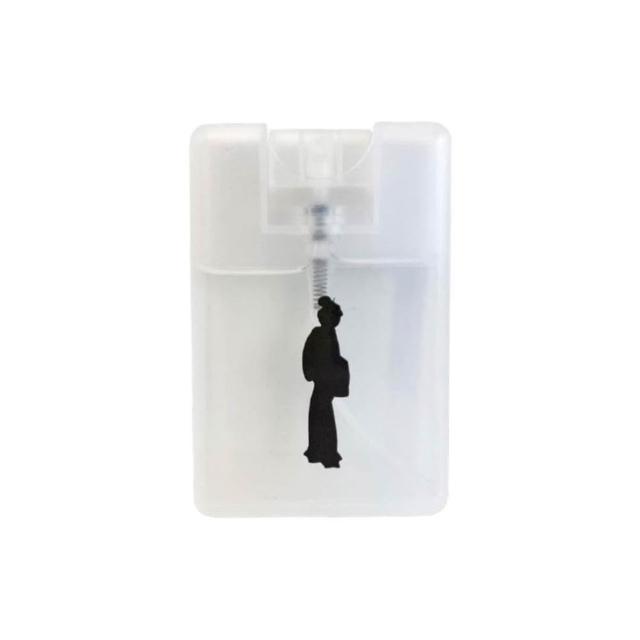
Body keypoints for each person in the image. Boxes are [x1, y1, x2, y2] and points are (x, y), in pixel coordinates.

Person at [302, 296, 349, 468]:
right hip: (322, 381)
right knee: (321, 414)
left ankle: (325, 451)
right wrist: (311, 372)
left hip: (326, 382)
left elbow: (333, 357)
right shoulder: (318, 333)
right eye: (336, 317)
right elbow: (308, 354)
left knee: (322, 414)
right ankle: (321, 451)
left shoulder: (330, 334)